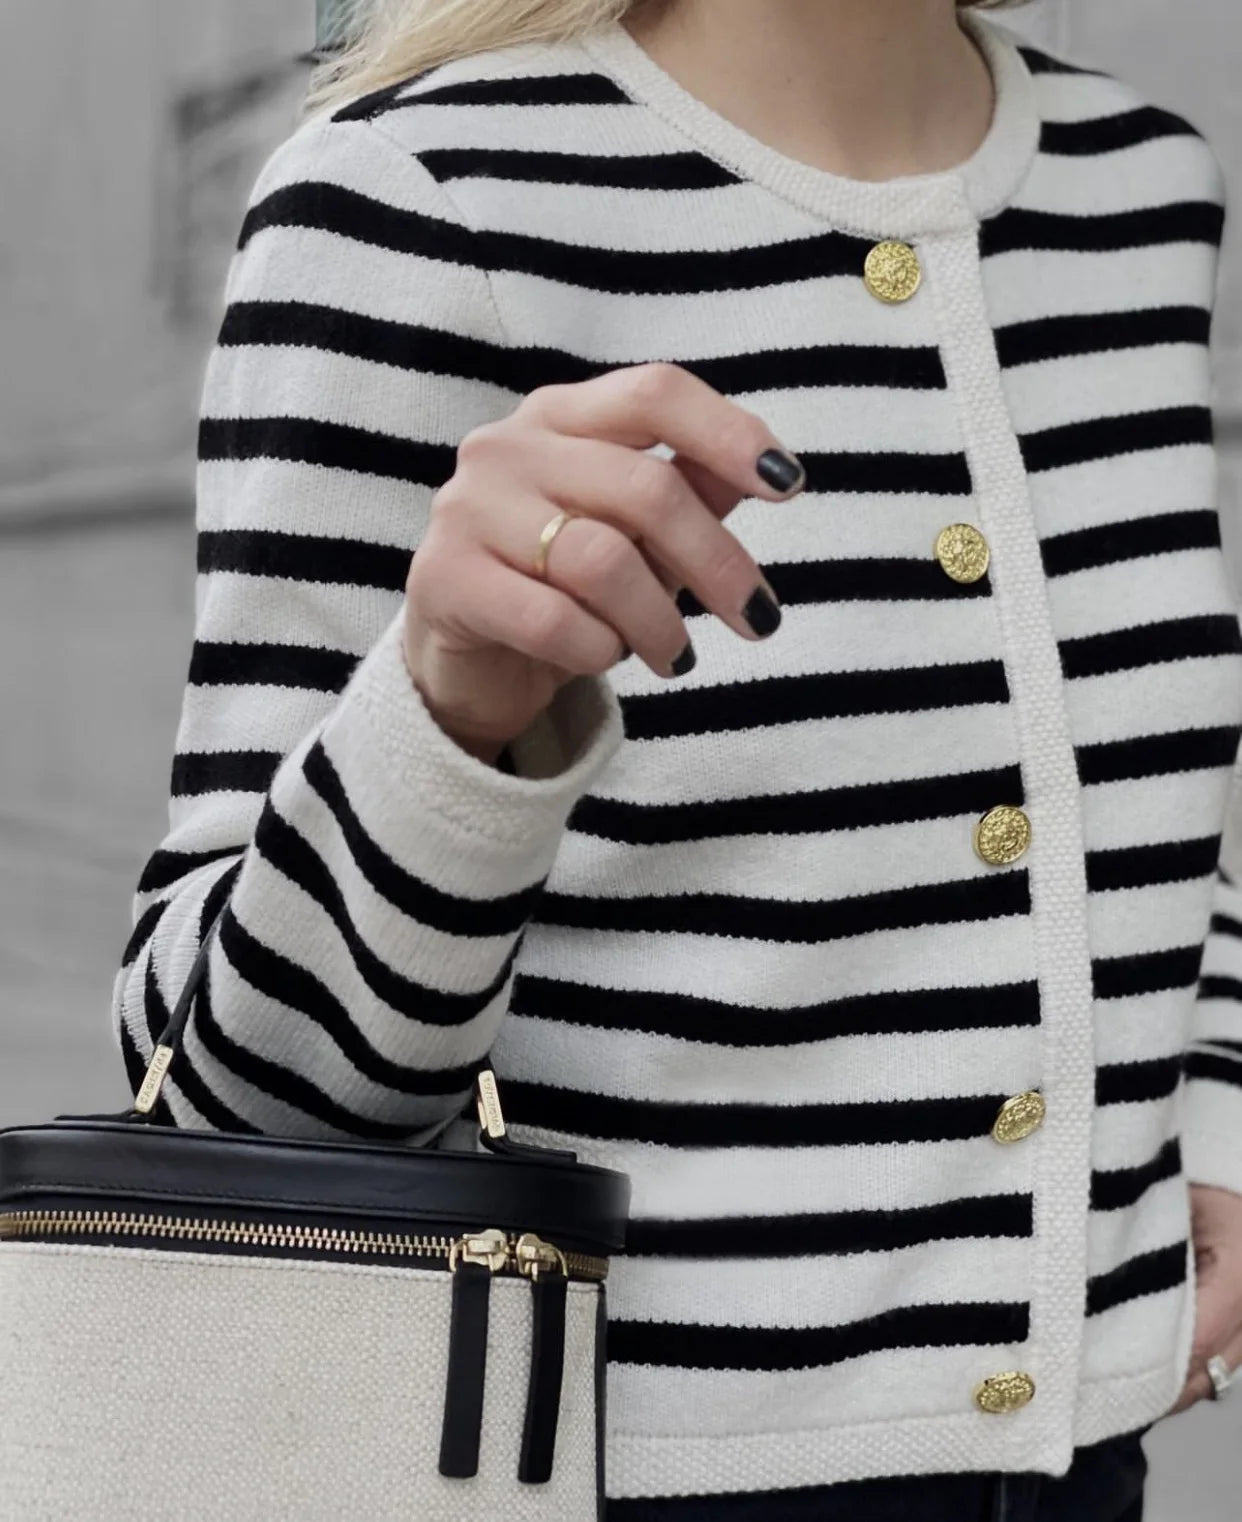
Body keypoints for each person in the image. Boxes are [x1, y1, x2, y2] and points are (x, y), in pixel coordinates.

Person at [114, 0, 1242, 1516]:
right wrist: (448, 717)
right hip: (576, 1469)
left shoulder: (1142, 185)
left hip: (1077, 1465)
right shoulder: (412, 197)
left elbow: (1100, 779)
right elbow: (219, 1091)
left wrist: (1216, 1104)